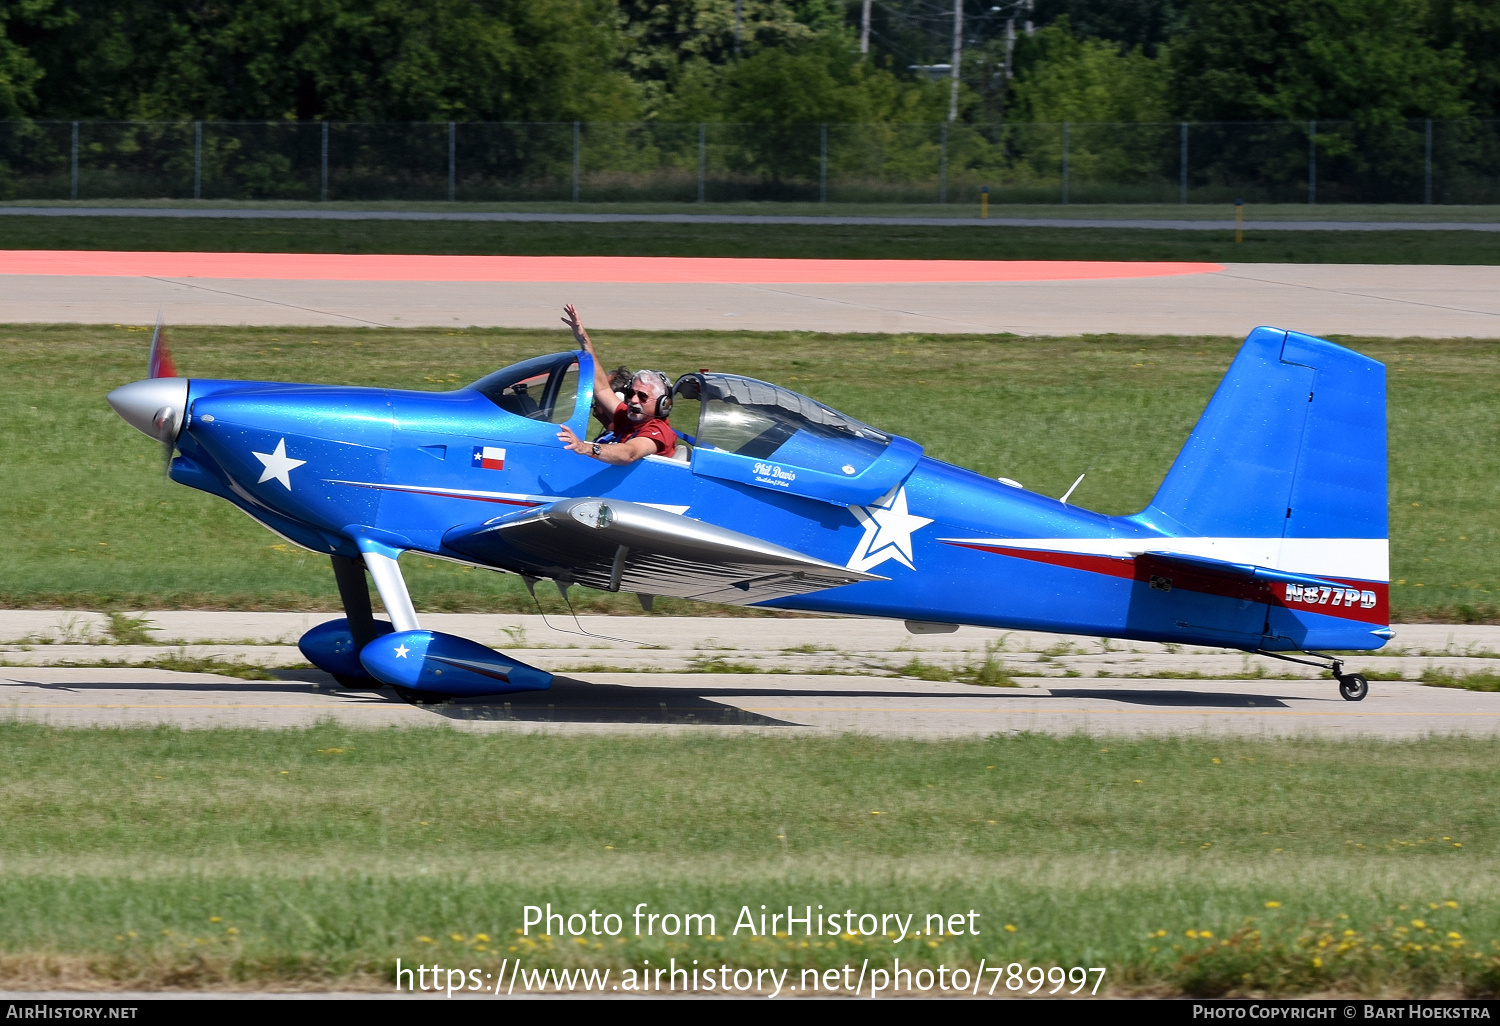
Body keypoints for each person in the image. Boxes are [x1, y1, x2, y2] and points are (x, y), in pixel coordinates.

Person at [557, 304, 677, 464]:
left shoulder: (658, 431)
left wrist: (584, 447)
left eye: (642, 396)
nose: (633, 400)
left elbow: (630, 453)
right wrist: (583, 339)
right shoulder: (630, 417)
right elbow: (602, 388)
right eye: (631, 394)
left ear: (662, 405)